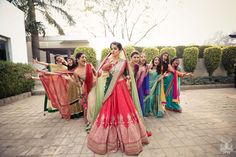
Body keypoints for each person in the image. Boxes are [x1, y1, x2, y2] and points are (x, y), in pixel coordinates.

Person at [87, 42, 149, 155]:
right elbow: (99, 74)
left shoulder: (123, 62)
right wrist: (104, 69)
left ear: (120, 50)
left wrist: (109, 69)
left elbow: (120, 73)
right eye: (111, 49)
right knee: (108, 112)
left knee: (124, 111)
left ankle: (129, 141)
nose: (112, 51)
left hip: (120, 89)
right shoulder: (107, 60)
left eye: (115, 49)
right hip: (110, 90)